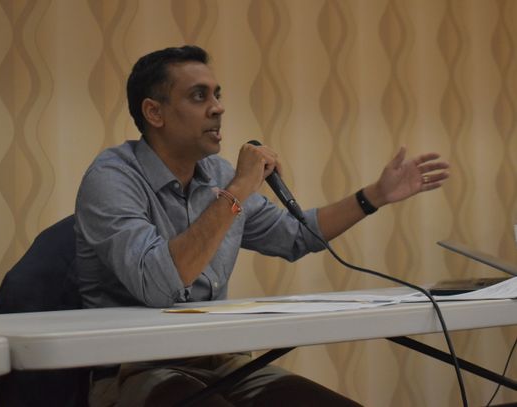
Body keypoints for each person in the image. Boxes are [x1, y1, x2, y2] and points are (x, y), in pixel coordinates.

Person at [74, 45, 449, 407]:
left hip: (219, 361)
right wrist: (238, 189)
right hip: (135, 370)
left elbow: (297, 236)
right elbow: (159, 286)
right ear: (154, 113)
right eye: (198, 96)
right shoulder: (112, 177)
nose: (218, 108)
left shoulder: (217, 175)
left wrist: (375, 195)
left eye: (217, 95)